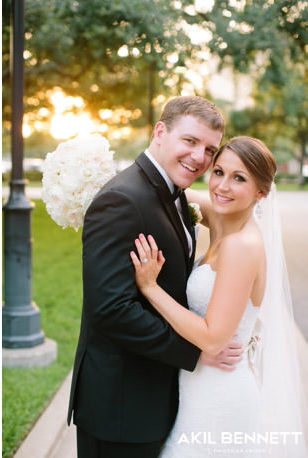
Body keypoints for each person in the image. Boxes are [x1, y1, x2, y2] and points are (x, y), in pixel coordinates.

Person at [67, 96, 243, 457]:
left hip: (154, 397)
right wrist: (195, 352)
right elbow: (111, 310)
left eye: (210, 150)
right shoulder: (122, 200)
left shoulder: (175, 194)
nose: (200, 158)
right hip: (120, 407)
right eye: (190, 142)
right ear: (160, 131)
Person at [131, 136, 308, 456]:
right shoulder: (219, 214)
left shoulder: (243, 246)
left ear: (261, 192)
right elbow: (163, 188)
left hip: (219, 396)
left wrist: (150, 289)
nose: (222, 187)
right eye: (218, 172)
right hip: (196, 385)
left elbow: (213, 339)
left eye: (238, 178)